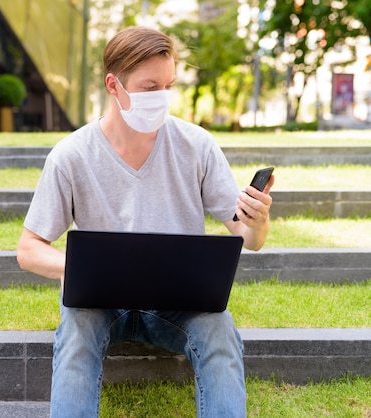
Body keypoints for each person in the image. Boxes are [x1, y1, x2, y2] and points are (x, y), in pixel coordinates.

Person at [17, 26, 274, 418]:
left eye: (168, 85)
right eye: (150, 86)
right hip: (99, 302)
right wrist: (91, 269)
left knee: (220, 330)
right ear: (113, 85)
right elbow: (28, 249)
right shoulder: (71, 155)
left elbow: (249, 238)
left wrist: (258, 220)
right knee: (76, 333)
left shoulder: (197, 145)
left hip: (178, 304)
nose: (162, 97)